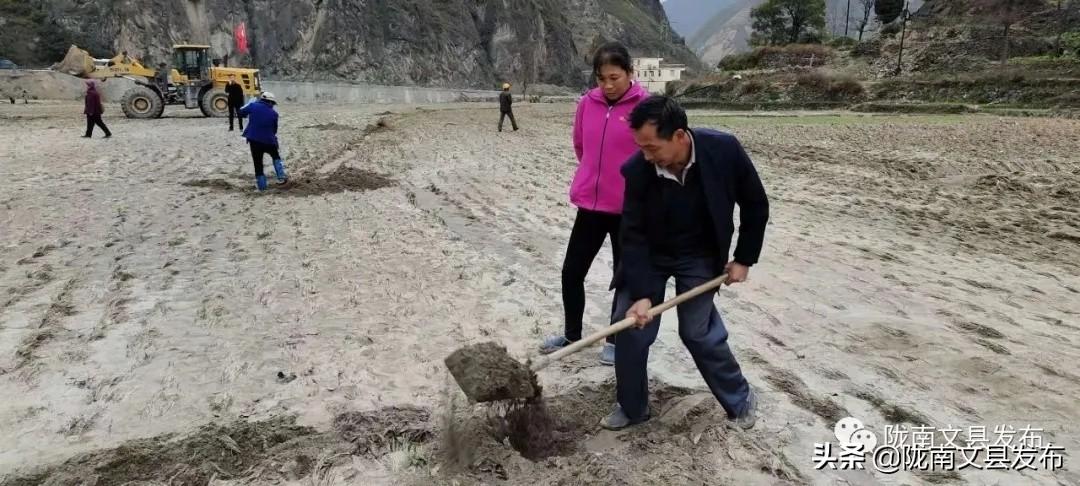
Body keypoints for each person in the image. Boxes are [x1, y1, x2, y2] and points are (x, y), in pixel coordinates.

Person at [600, 95, 769, 431]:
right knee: (631, 329)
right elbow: (632, 235)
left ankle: (739, 398)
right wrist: (643, 294)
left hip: (700, 254)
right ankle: (633, 409)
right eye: (641, 147)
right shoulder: (638, 170)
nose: (646, 156)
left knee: (698, 333)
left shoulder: (723, 150)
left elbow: (755, 204)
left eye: (652, 147)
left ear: (679, 136)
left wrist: (744, 259)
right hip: (651, 255)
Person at [539, 42, 649, 365]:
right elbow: (580, 145)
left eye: (614, 77)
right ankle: (572, 334)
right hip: (591, 206)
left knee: (623, 279)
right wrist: (593, 177)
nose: (608, 85)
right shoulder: (587, 103)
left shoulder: (645, 106)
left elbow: (652, 154)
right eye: (601, 78)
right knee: (571, 272)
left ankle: (615, 341)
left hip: (628, 210)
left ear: (630, 73)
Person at [239, 92, 288, 191]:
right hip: (269, 140)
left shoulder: (253, 106)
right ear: (270, 102)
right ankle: (281, 176)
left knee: (258, 164)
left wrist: (248, 104)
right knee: (275, 156)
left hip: (254, 140)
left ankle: (262, 187)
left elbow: (240, 113)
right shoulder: (274, 114)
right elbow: (274, 130)